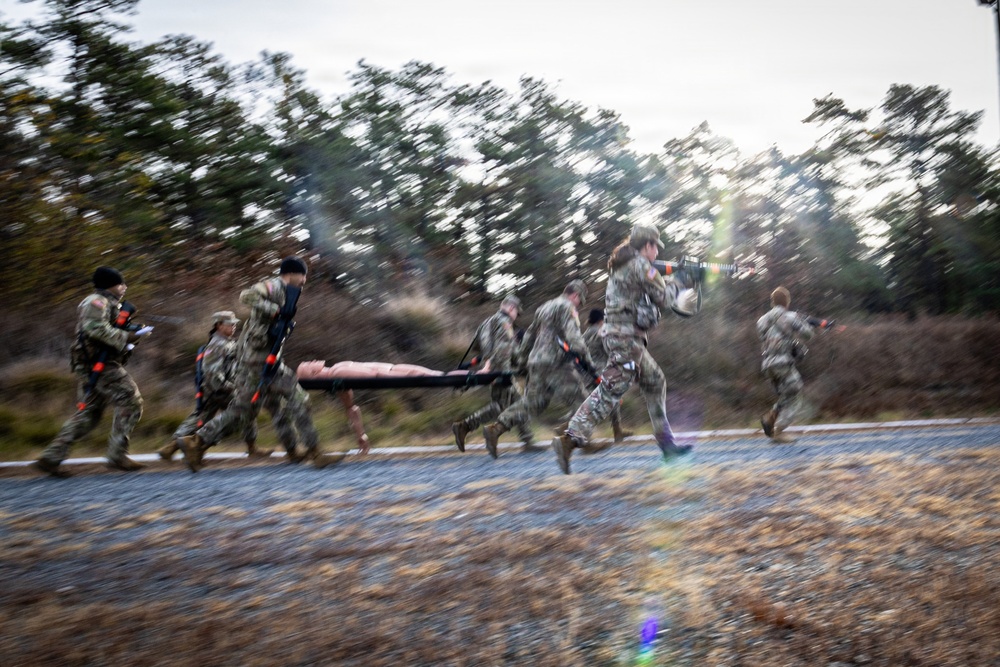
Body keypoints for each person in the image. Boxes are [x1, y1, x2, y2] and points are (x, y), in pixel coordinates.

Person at [553, 224, 699, 474]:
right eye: (655, 248)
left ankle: (667, 446)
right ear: (649, 245)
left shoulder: (624, 264)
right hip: (625, 339)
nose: (656, 253)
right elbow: (664, 299)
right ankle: (570, 439)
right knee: (611, 390)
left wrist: (671, 277)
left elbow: (649, 290)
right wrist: (679, 280)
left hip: (624, 337)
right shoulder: (641, 265)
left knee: (655, 382)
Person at [177, 257, 339, 471]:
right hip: (255, 361)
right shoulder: (274, 286)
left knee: (282, 401)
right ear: (291, 273)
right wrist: (275, 311)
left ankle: (311, 451)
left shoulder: (288, 293)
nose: (305, 280)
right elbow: (246, 295)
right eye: (303, 275)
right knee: (243, 409)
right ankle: (196, 442)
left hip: (268, 361)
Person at [33, 266, 153, 477]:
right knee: (131, 401)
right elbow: (94, 328)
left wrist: (132, 332)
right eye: (121, 283)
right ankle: (117, 455)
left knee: (90, 413)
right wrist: (125, 337)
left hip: (96, 363)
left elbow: (105, 328)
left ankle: (51, 457)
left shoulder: (109, 304)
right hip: (99, 364)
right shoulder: (96, 302)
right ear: (110, 285)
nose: (124, 287)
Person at [482, 280, 593, 459]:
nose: (579, 303)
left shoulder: (544, 307)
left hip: (536, 362)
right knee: (581, 398)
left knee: (532, 403)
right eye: (580, 300)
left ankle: (496, 429)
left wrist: (521, 361)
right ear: (575, 295)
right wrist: (589, 363)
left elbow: (529, 337)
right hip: (555, 363)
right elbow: (575, 339)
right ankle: (584, 443)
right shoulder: (567, 308)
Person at [158, 311, 272, 461]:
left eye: (234, 324)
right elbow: (213, 373)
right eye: (230, 324)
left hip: (220, 389)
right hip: (218, 390)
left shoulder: (227, 342)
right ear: (218, 325)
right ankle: (188, 446)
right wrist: (231, 387)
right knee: (241, 412)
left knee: (201, 418)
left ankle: (171, 448)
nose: (233, 327)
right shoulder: (217, 345)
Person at [450, 295, 537, 453]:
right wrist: (502, 370)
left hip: (491, 368)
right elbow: (504, 349)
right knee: (511, 404)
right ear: (511, 308)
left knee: (508, 404)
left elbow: (478, 347)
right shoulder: (504, 322)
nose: (516, 316)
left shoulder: (486, 322)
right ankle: (469, 428)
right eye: (516, 313)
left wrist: (485, 363)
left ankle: (527, 441)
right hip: (499, 370)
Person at [757, 286, 814, 444]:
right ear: (787, 302)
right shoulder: (790, 317)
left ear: (772, 302)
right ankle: (779, 431)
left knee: (787, 395)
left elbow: (770, 338)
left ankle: (771, 417)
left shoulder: (762, 320)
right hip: (782, 363)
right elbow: (808, 334)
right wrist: (803, 321)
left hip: (768, 365)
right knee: (795, 394)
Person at [581, 308, 631, 443]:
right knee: (612, 399)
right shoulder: (601, 332)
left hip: (588, 372)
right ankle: (617, 430)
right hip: (602, 371)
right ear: (601, 320)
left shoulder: (585, 334)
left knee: (590, 403)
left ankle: (615, 431)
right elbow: (610, 349)